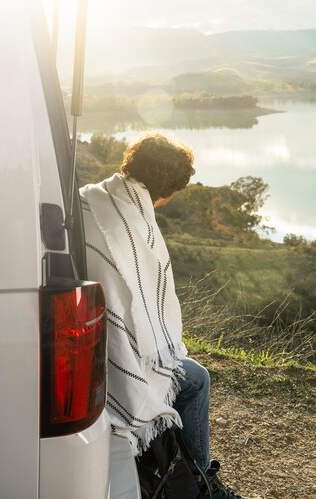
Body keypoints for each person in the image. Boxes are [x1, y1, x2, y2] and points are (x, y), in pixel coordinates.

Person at [80, 132, 246, 499]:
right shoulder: (137, 221)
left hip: (95, 331)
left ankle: (188, 472)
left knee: (184, 375)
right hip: (115, 351)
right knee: (195, 379)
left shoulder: (91, 197)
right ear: (167, 189)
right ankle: (200, 484)